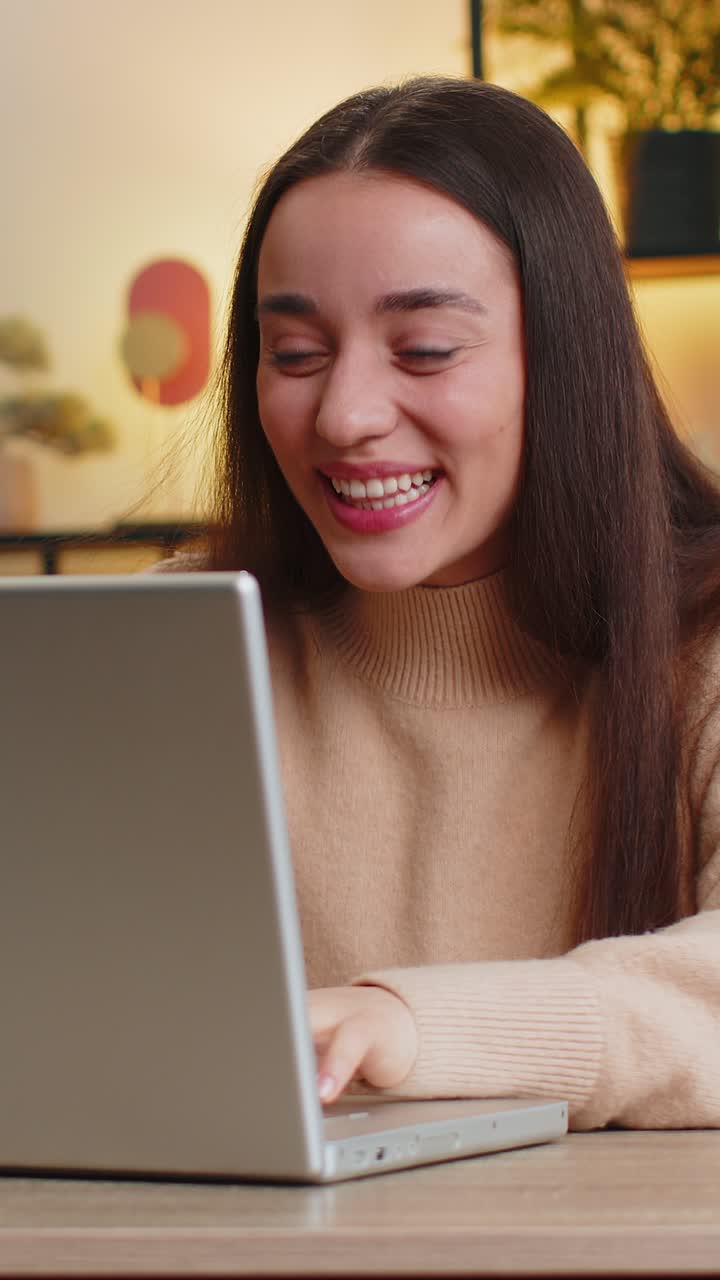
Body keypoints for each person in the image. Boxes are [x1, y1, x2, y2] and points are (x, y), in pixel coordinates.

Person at [164, 77, 720, 1129]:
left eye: (423, 349)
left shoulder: (704, 640)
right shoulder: (171, 647)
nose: (346, 412)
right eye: (295, 354)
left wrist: (413, 1026)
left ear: (564, 358)